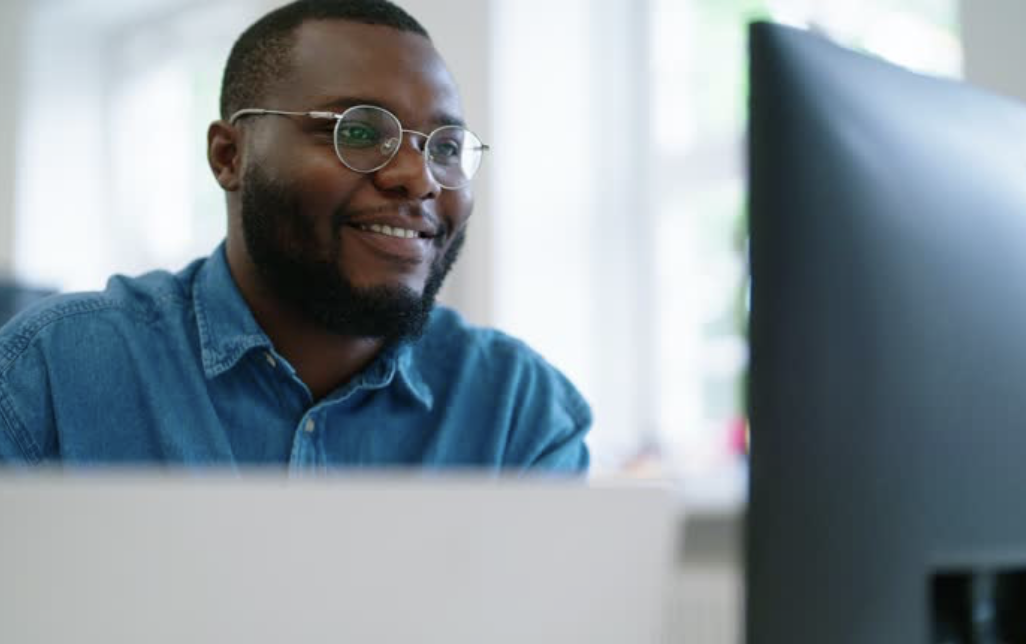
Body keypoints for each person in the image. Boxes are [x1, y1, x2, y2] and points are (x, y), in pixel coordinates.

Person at [0, 0, 591, 471]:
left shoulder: (518, 411)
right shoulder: (52, 373)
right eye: (359, 133)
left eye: (446, 147)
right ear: (230, 156)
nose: (418, 178)